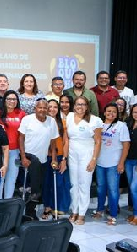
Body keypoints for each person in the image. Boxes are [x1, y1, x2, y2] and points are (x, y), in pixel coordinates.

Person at [63, 96, 102, 225]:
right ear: (74, 106)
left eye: (83, 104)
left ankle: (82, 213)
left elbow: (98, 142)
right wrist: (64, 158)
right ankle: (74, 210)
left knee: (84, 184)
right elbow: (66, 139)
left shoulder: (95, 120)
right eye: (78, 104)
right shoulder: (69, 117)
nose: (80, 107)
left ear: (87, 106)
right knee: (74, 184)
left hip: (87, 154)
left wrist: (94, 160)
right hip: (72, 154)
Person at [18, 99, 59, 219]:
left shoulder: (51, 121)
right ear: (35, 108)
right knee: (34, 186)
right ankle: (29, 212)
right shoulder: (27, 119)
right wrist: (23, 157)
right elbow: (21, 138)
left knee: (38, 186)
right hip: (29, 157)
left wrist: (54, 159)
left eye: (45, 108)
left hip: (43, 159)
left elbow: (53, 143)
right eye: (40, 107)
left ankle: (31, 210)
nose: (42, 110)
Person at [92, 103, 130, 226]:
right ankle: (100, 210)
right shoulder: (99, 125)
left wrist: (121, 163)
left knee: (113, 190)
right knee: (100, 188)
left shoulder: (121, 126)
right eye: (108, 111)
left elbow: (126, 146)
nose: (111, 113)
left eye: (114, 111)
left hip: (114, 164)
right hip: (100, 163)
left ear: (117, 114)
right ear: (104, 112)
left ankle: (113, 215)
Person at [41, 99, 70, 218]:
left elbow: (66, 142)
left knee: (58, 183)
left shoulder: (62, 123)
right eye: (50, 107)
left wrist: (64, 159)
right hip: (44, 156)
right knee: (46, 183)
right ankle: (47, 207)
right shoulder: (42, 122)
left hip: (58, 156)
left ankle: (56, 207)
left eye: (55, 107)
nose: (52, 109)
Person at [0, 90, 26, 198]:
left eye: (14, 99)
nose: (12, 101)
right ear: (4, 100)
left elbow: (23, 134)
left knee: (11, 179)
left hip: (15, 151)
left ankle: (7, 202)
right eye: (9, 99)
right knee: (0, 178)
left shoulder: (21, 113)